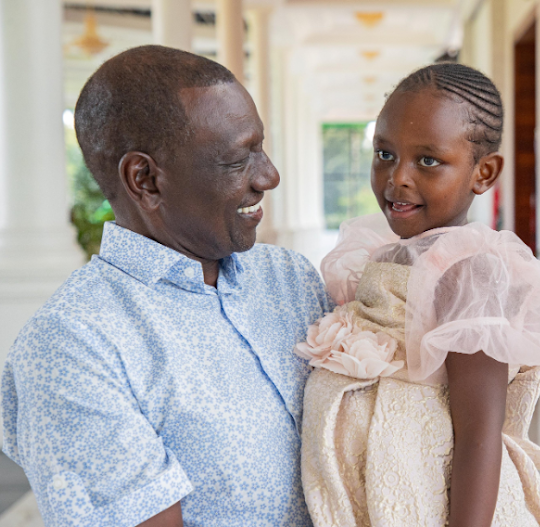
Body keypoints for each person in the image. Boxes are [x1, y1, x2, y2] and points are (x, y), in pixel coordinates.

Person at [1, 46, 332, 527]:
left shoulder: (290, 278)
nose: (269, 176)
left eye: (261, 148)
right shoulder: (71, 347)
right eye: (238, 160)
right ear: (145, 180)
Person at [294, 63, 540, 526]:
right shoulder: (384, 252)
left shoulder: (468, 272)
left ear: (483, 172)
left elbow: (480, 432)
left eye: (427, 160)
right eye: (384, 154)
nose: (397, 177)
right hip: (386, 497)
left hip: (435, 503)